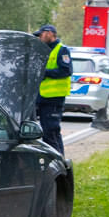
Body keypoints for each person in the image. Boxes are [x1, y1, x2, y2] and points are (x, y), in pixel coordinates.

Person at [34, 24, 72, 155]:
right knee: (34, 130)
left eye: (41, 34)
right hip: (40, 96)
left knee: (51, 130)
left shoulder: (62, 50)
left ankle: (58, 159)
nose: (39, 37)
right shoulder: (43, 50)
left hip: (54, 98)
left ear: (50, 33)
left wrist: (45, 73)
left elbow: (66, 70)